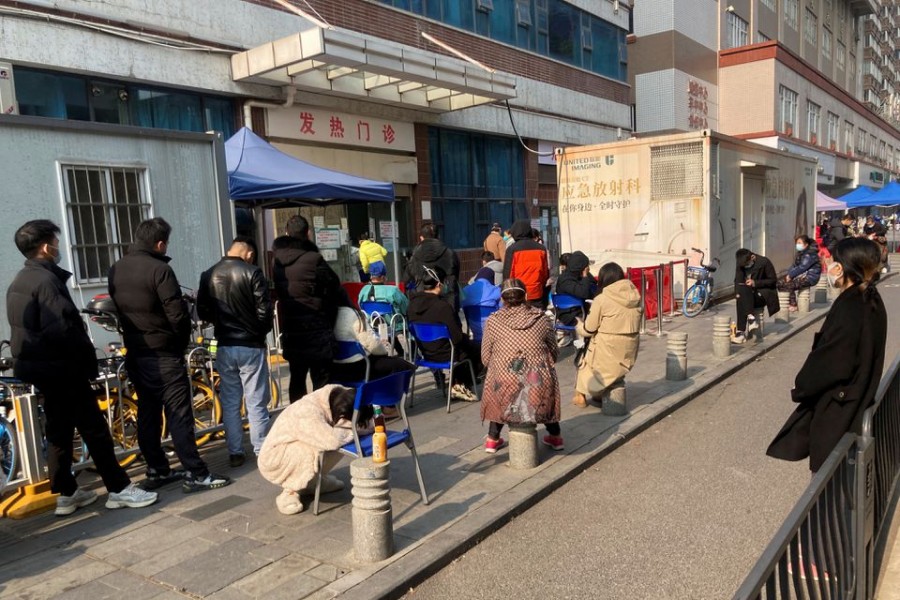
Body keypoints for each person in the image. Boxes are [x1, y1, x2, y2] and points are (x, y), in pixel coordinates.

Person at [6, 220, 158, 515]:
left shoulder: (20, 281)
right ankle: (118, 488)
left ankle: (66, 493)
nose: (58, 248)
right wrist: (87, 363)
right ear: (46, 247)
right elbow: (64, 330)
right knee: (94, 429)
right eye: (55, 242)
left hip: (41, 371)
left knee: (59, 432)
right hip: (63, 370)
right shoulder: (46, 282)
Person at [109, 217, 230, 493]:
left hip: (136, 352)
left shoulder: (116, 269)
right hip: (164, 353)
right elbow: (177, 316)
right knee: (179, 414)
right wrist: (177, 346)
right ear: (160, 244)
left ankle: (157, 469)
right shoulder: (159, 270)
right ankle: (195, 472)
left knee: (148, 413)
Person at [767, 237, 886, 473]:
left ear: (841, 267)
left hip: (838, 410)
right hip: (856, 399)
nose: (828, 266)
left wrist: (801, 386)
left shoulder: (851, 306)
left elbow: (831, 362)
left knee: (829, 484)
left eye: (830, 261)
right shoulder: (870, 299)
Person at [197, 236, 273, 468]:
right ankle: (261, 449)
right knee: (256, 400)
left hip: (224, 344)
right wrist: (258, 331)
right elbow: (264, 311)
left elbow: (202, 310)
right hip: (251, 345)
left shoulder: (208, 274)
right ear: (248, 253)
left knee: (230, 401)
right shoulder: (253, 273)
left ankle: (235, 452)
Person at [258, 385, 373, 515]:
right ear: (341, 412)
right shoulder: (307, 411)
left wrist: (354, 426)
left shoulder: (341, 395)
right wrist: (355, 428)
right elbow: (332, 440)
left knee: (343, 440)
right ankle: (290, 490)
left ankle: (313, 482)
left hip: (300, 442)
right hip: (274, 458)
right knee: (319, 447)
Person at [480, 279, 562, 453]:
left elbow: (485, 357)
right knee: (539, 381)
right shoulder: (541, 318)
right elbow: (554, 350)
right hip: (537, 383)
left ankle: (492, 439)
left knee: (502, 382)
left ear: (502, 299)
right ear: (525, 296)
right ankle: (555, 436)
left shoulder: (492, 321)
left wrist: (498, 367)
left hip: (504, 383)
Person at [274, 215, 343, 402]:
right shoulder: (314, 259)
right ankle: (322, 422)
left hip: (292, 330)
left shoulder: (277, 262)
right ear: (308, 234)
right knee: (322, 382)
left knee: (297, 379)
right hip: (316, 329)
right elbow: (333, 286)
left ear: (287, 233)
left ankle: (299, 422)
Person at [408, 265, 481, 402]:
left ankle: (457, 383)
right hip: (446, 353)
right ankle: (459, 384)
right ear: (439, 284)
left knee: (463, 347)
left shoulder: (412, 305)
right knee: (476, 349)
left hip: (425, 352)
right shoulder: (442, 307)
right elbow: (457, 338)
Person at [573, 263, 642, 408]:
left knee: (586, 357)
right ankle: (600, 393)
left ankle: (581, 394)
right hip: (629, 351)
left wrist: (578, 325)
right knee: (600, 356)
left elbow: (589, 329)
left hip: (606, 350)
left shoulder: (602, 299)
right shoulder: (635, 296)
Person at [329, 293, 415, 384]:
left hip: (334, 368)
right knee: (403, 365)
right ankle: (389, 395)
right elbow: (373, 345)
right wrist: (384, 352)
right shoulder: (350, 314)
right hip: (359, 366)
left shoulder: (324, 315)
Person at [404, 223, 461, 312]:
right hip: (447, 308)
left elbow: (407, 281)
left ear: (421, 238)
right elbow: (455, 278)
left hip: (421, 308)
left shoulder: (414, 257)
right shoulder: (449, 254)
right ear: (438, 236)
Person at [731, 248, 780, 344]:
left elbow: (773, 280)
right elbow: (738, 280)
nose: (746, 266)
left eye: (747, 264)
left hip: (763, 293)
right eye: (744, 265)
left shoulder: (764, 262)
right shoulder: (741, 263)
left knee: (743, 295)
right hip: (747, 294)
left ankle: (741, 333)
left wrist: (755, 283)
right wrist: (737, 293)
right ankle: (751, 319)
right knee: (742, 294)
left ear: (752, 257)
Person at [503, 219, 550, 309]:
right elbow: (545, 274)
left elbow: (508, 274)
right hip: (537, 293)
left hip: (518, 294)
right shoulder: (541, 248)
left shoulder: (512, 249)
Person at [554, 250, 597, 346]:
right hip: (570, 314)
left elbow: (594, 284)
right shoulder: (566, 279)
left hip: (581, 311)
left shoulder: (578, 275)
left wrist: (586, 276)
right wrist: (585, 276)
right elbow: (584, 293)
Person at [776, 235, 821, 312]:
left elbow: (802, 267)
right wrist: (788, 275)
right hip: (800, 276)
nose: (797, 245)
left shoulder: (810, 254)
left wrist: (790, 275)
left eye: (799, 243)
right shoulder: (801, 253)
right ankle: (788, 303)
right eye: (797, 243)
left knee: (787, 284)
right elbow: (794, 266)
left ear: (806, 244)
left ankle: (793, 304)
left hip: (810, 277)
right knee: (780, 283)